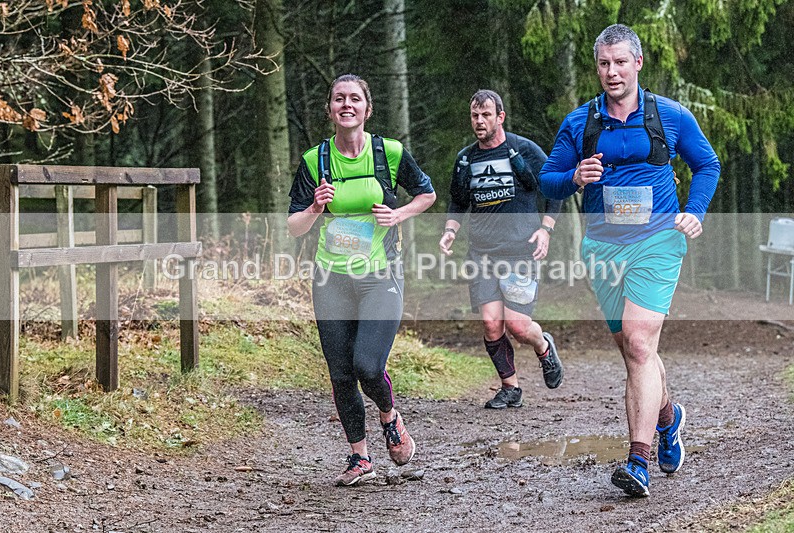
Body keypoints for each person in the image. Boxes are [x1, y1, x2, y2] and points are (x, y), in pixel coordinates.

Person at [539, 24, 720, 497]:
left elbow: (707, 165)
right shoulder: (580, 122)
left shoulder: (670, 115)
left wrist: (694, 211)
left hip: (657, 242)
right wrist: (575, 176)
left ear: (638, 63)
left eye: (620, 62)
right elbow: (547, 179)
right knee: (635, 351)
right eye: (604, 63)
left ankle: (638, 461)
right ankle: (668, 417)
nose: (612, 71)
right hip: (603, 248)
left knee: (639, 343)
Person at [288, 74, 436, 486]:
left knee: (368, 366)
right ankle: (360, 457)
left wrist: (398, 214)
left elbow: (427, 194)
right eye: (339, 99)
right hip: (331, 278)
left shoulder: (388, 153)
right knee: (341, 373)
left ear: (368, 109)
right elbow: (293, 226)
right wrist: (314, 209)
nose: (346, 105)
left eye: (355, 98)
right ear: (330, 109)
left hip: (379, 275)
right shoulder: (315, 160)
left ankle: (390, 417)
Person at [439, 89, 564, 410]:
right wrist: (450, 231)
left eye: (485, 115)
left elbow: (554, 188)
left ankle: (543, 346)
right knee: (491, 323)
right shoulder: (466, 158)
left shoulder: (524, 149)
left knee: (518, 326)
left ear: (500, 117)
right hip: (481, 253)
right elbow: (457, 200)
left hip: (521, 250)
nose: (479, 121)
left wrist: (546, 229)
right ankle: (511, 387)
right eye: (474, 116)